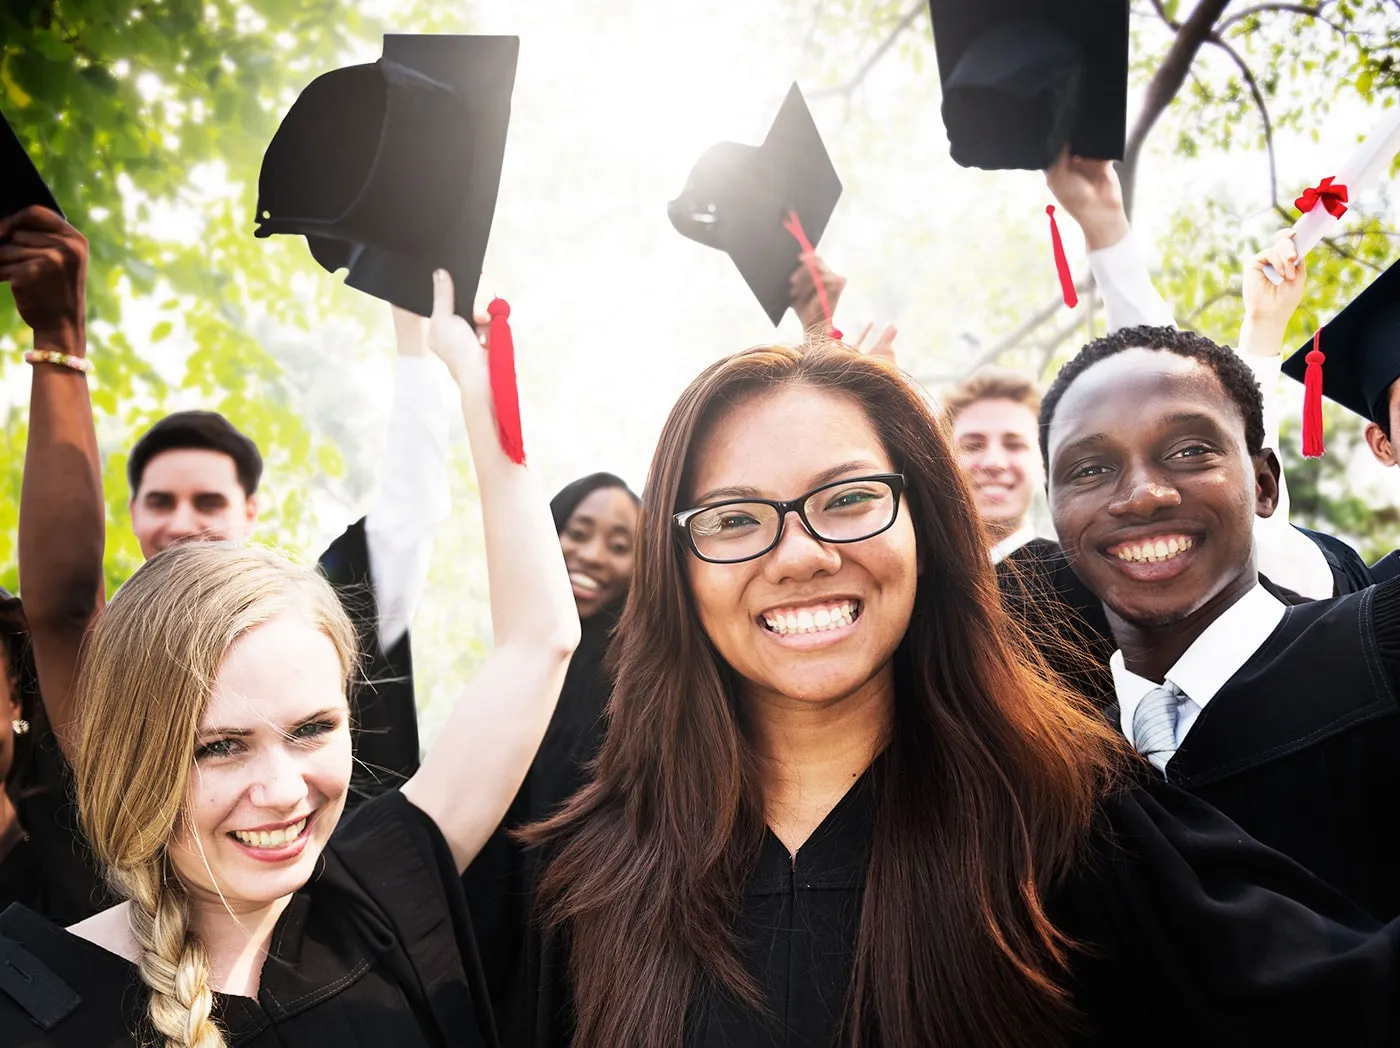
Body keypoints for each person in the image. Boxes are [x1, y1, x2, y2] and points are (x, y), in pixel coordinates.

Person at [472, 339, 1400, 1048]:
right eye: (734, 518)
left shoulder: (1065, 823)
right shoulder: (592, 874)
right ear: (680, 568)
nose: (799, 554)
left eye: (848, 500)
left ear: (929, 529)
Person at [0, 268, 581, 1047]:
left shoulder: (381, 891)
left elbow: (541, 638)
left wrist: (472, 377)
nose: (281, 792)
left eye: (311, 729)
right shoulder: (37, 1002)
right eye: (219, 746)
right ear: (133, 754)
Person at [1041, 323, 1400, 920]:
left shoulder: (1380, 654)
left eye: (1189, 451)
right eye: (1089, 469)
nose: (1141, 495)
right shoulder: (1054, 772)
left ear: (1264, 484)